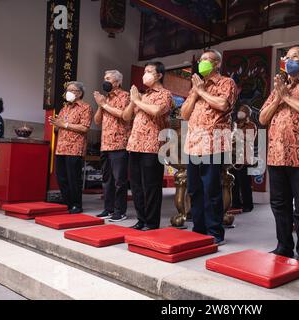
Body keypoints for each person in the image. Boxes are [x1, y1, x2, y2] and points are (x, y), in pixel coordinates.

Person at [259, 46, 299, 264]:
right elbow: (262, 118)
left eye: (294, 57)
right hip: (276, 156)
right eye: (287, 57)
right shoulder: (277, 90)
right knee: (279, 205)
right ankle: (283, 247)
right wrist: (279, 97)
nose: (288, 60)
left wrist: (287, 97)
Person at [181, 49, 238, 246]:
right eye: (201, 60)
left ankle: (215, 232)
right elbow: (185, 113)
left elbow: (223, 105)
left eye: (207, 60)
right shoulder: (196, 86)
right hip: (193, 145)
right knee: (194, 190)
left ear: (217, 64)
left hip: (213, 143)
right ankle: (199, 229)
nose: (202, 63)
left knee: (211, 190)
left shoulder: (226, 83)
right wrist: (196, 92)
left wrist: (202, 92)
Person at [123, 62, 172, 231]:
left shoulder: (165, 94)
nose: (145, 74)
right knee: (136, 186)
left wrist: (138, 100)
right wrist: (133, 101)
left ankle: (151, 223)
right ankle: (141, 219)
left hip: (152, 146)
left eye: (149, 71)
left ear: (159, 75)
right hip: (135, 145)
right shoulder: (142, 96)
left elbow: (157, 111)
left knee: (151, 186)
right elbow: (126, 116)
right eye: (144, 71)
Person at [94, 70, 131, 222]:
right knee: (107, 179)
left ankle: (120, 211)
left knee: (119, 181)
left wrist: (104, 104)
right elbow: (97, 121)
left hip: (119, 144)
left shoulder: (125, 96)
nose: (105, 81)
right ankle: (108, 209)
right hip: (105, 144)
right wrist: (101, 105)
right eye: (104, 78)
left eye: (108, 78)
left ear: (117, 82)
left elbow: (123, 114)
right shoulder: (106, 98)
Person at [49, 82, 93, 213]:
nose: (68, 93)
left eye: (72, 90)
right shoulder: (65, 108)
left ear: (79, 93)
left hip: (75, 147)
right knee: (61, 176)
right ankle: (67, 202)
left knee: (73, 177)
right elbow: (59, 126)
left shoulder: (86, 107)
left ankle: (76, 204)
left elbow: (85, 127)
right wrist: (56, 124)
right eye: (67, 90)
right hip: (61, 147)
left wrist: (65, 124)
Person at [230, 104, 257, 212]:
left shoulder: (252, 125)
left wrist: (237, 133)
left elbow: (249, 138)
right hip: (233, 158)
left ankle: (248, 205)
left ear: (247, 114)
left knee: (245, 184)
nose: (240, 112)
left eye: (243, 111)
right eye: (239, 110)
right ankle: (236, 204)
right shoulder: (235, 124)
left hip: (245, 159)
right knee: (233, 183)